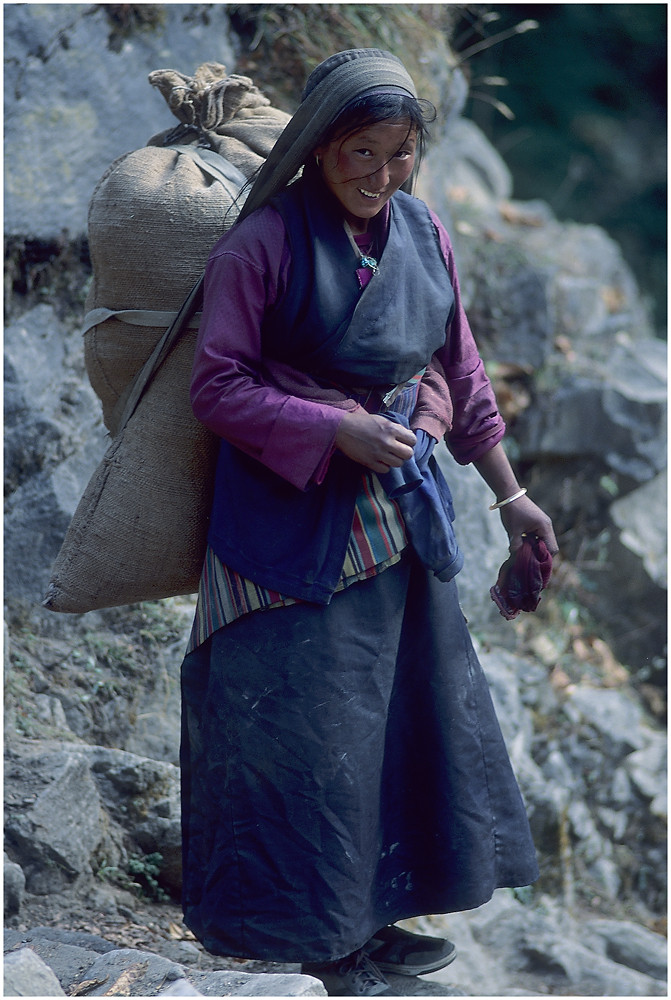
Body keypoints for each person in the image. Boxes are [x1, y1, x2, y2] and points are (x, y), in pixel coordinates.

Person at [180, 48, 558, 997]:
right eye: (360, 150)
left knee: (387, 719)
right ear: (317, 147)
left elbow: (459, 375)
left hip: (395, 517)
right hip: (287, 526)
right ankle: (306, 937)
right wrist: (334, 428)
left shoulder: (424, 232)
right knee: (304, 728)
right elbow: (217, 387)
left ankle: (368, 918)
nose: (379, 175)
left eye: (400, 154)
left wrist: (510, 497)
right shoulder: (259, 245)